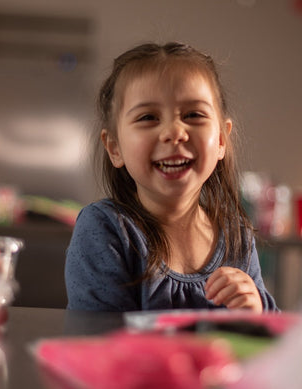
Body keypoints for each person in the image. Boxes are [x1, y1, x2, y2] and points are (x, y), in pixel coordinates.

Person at [65, 41, 278, 312]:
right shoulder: (105, 230)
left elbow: (270, 342)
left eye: (193, 114)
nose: (174, 131)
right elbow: (99, 344)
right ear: (115, 148)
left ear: (222, 139)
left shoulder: (237, 236)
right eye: (148, 117)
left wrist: (256, 310)